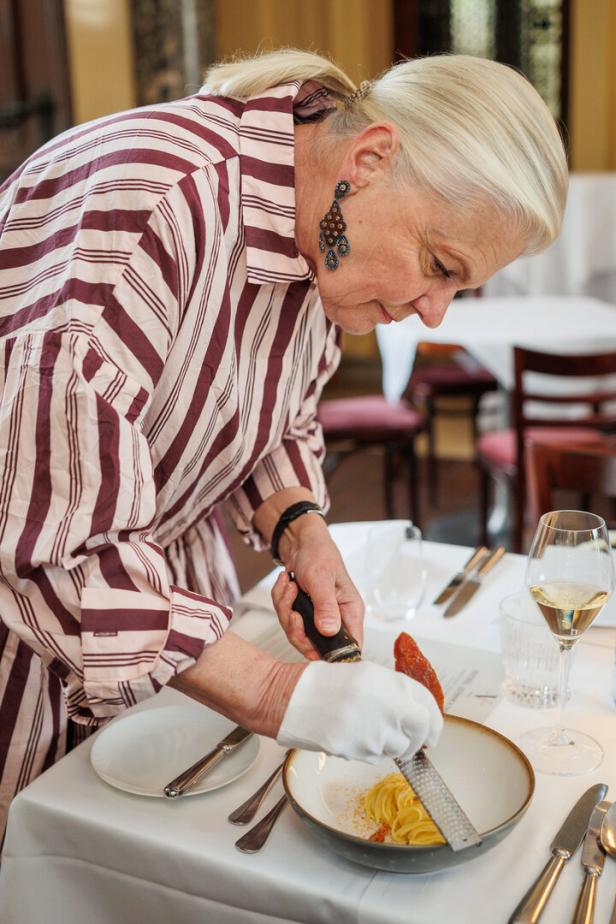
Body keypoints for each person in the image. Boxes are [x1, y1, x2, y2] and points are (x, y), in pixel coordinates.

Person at [0, 48, 567, 838]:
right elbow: (57, 545)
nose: (436, 312)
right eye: (438, 266)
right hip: (24, 649)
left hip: (162, 613)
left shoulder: (323, 232)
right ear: (371, 159)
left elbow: (277, 413)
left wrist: (300, 528)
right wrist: (278, 694)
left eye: (456, 288)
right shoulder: (153, 206)